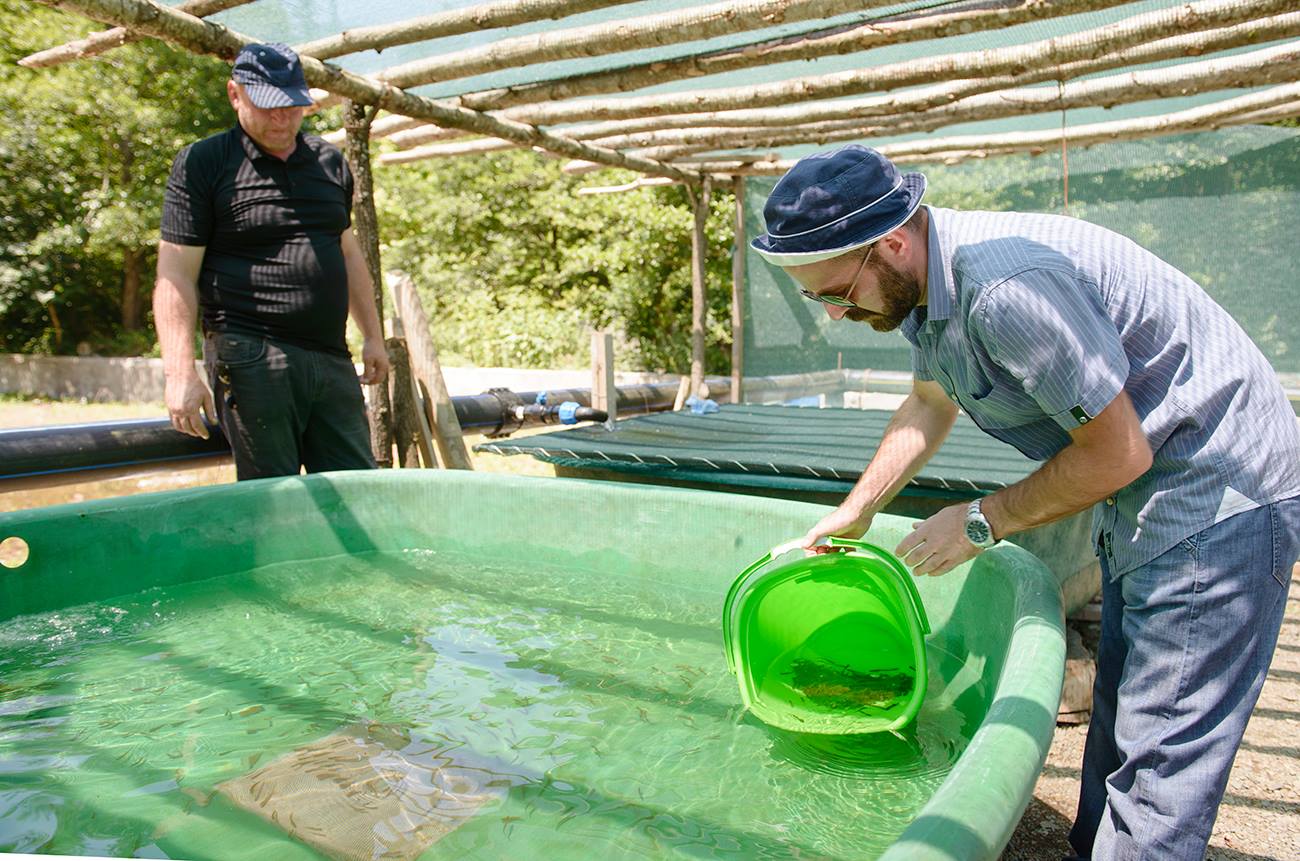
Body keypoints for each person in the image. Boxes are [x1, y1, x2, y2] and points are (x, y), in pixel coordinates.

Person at [751, 144, 1300, 860]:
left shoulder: (1004, 288)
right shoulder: (925, 290)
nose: (832, 314)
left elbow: (1117, 453)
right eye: (816, 298)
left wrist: (981, 523)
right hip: (1144, 494)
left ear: (890, 243)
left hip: (1215, 488)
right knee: (1120, 717)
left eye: (836, 292)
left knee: (1160, 761)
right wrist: (857, 510)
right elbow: (928, 402)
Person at [154, 42, 388, 480]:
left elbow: (347, 251)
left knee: (357, 486)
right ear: (235, 95)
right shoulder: (204, 163)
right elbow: (175, 273)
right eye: (268, 106)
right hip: (252, 352)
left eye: (292, 106)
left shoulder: (329, 162)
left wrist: (373, 336)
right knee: (274, 497)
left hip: (331, 354)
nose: (282, 119)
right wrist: (179, 372)